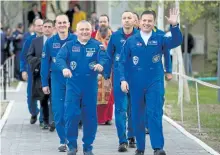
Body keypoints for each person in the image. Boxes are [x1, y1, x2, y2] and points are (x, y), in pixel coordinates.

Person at [119, 9, 183, 155]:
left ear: (153, 23)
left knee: (154, 113)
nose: (147, 23)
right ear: (139, 22)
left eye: (150, 21)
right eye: (144, 20)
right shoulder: (131, 41)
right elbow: (121, 62)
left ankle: (157, 147)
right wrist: (122, 80)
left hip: (154, 82)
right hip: (136, 84)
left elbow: (176, 41)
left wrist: (174, 26)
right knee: (137, 115)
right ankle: (140, 148)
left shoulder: (160, 38)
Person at [56, 20, 107, 155]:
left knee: (90, 117)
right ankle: (72, 145)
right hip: (73, 86)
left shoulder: (97, 45)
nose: (84, 32)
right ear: (76, 31)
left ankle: (88, 146)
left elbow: (104, 58)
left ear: (91, 31)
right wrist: (64, 68)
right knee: (71, 115)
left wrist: (101, 65)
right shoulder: (69, 45)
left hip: (90, 87)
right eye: (82, 29)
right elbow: (60, 58)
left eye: (87, 29)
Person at [41, 14, 76, 152]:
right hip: (56, 80)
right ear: (56, 25)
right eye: (59, 22)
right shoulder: (50, 42)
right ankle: (63, 140)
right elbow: (44, 64)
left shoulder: (76, 40)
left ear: (68, 24)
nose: (62, 25)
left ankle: (71, 139)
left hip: (74, 81)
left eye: (64, 22)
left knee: (72, 112)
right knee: (58, 112)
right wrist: (44, 83)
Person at [105, 11, 138, 152]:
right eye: (124, 18)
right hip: (119, 78)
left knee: (134, 109)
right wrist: (106, 76)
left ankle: (132, 136)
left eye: (129, 18)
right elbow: (108, 57)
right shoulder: (115, 36)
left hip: (137, 79)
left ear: (134, 21)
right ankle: (122, 140)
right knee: (120, 109)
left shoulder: (140, 36)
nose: (126, 20)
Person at [26, 19, 54, 130]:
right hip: (41, 75)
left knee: (54, 99)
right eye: (45, 26)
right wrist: (40, 60)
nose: (47, 28)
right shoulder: (35, 42)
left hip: (55, 75)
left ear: (53, 28)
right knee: (43, 98)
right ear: (42, 28)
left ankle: (52, 121)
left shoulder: (58, 41)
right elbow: (29, 57)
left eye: (49, 26)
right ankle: (45, 121)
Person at [20, 18, 44, 126]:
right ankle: (34, 112)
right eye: (37, 25)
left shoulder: (48, 39)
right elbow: (23, 57)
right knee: (30, 96)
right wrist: (23, 70)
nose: (40, 27)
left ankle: (44, 119)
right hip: (32, 72)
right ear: (34, 27)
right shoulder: (29, 40)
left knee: (45, 95)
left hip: (44, 72)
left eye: (41, 25)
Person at [92, 14, 113, 125]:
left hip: (110, 69)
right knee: (97, 94)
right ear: (98, 23)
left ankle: (108, 118)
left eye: (105, 21)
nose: (103, 23)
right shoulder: (92, 36)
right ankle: (99, 118)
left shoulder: (114, 36)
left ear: (108, 22)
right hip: (97, 68)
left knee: (109, 95)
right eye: (101, 21)